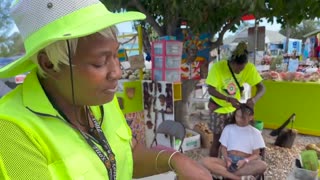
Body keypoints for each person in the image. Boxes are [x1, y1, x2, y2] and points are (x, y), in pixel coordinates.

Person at [0, 1, 212, 180]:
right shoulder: (11, 130)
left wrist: (175, 160)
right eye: (100, 63)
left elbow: (126, 156)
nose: (117, 72)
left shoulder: (100, 99)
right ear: (49, 64)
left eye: (116, 56)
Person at [206, 42, 265, 157]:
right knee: (217, 142)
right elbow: (211, 90)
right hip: (219, 110)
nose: (239, 72)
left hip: (235, 110)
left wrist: (254, 99)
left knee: (234, 142)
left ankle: (230, 163)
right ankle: (211, 169)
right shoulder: (218, 67)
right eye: (236, 69)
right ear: (231, 62)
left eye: (242, 69)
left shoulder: (249, 68)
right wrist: (228, 99)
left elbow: (262, 88)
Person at [200, 105, 267, 180]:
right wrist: (226, 158)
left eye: (242, 117)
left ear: (250, 117)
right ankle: (239, 178)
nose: (238, 119)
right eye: (237, 116)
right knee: (204, 161)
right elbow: (223, 148)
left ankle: (227, 174)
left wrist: (245, 161)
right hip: (229, 161)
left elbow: (256, 154)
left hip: (245, 162)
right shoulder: (228, 128)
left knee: (262, 165)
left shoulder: (255, 132)